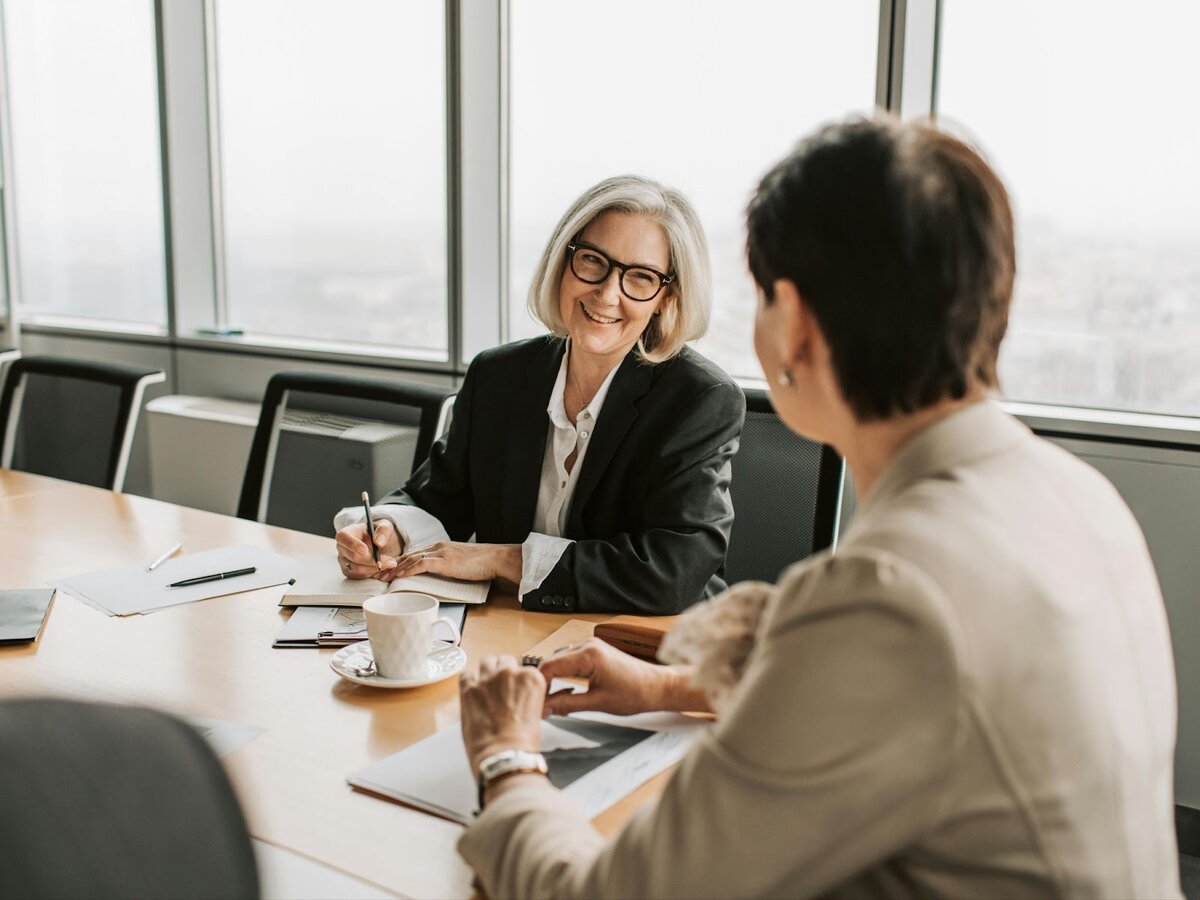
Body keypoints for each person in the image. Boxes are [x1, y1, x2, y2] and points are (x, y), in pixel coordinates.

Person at [454, 118, 1181, 898]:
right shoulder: (1082, 498)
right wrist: (666, 688)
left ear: (792, 321)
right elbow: (917, 700)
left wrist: (505, 755)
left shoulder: (891, 590)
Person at [334, 176, 745, 615]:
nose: (607, 294)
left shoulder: (699, 400)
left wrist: (501, 558)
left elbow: (674, 571)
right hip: (516, 630)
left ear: (666, 297)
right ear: (564, 262)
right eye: (593, 262)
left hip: (642, 646)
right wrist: (388, 533)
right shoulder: (499, 376)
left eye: (640, 278)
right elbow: (435, 495)